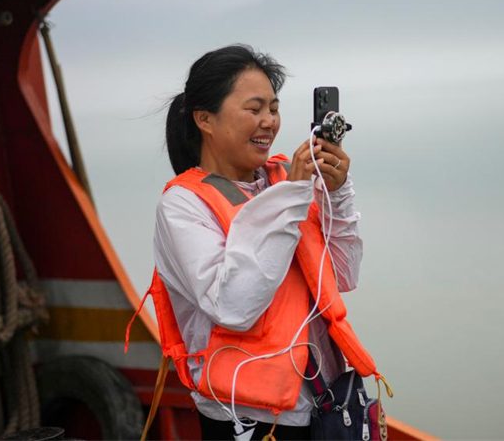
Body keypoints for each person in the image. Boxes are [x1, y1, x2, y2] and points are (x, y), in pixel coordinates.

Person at [152, 44, 371, 440]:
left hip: (322, 402)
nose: (269, 122)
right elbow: (234, 306)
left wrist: (335, 194)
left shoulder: (288, 178)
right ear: (205, 118)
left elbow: (341, 275)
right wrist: (293, 196)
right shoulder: (183, 205)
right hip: (246, 416)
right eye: (254, 110)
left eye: (273, 108)